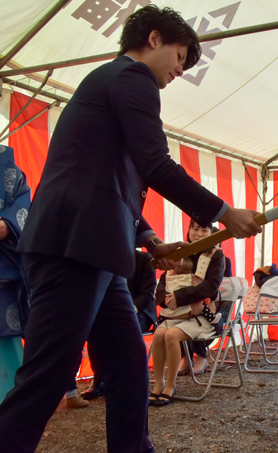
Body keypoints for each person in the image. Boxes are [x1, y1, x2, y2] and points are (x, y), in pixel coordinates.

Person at [0, 6, 261, 453]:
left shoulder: (110, 84)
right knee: (48, 374)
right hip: (73, 246)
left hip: (95, 248)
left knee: (126, 367)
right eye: (180, 57)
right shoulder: (131, 77)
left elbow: (106, 180)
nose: (180, 70)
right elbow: (155, 164)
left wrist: (149, 240)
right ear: (155, 39)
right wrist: (222, 210)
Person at [149, 220, 225, 406]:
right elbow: (162, 283)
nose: (199, 234)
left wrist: (181, 296)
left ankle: (171, 385)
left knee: (172, 335)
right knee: (159, 334)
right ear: (189, 230)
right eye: (195, 229)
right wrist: (165, 299)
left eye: (204, 230)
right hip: (175, 314)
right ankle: (159, 383)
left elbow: (211, 286)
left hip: (201, 315)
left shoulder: (216, 254)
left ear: (211, 232)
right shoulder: (179, 252)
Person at [81, 250, 158, 401]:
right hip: (111, 309)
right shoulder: (104, 258)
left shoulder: (143, 258)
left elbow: (147, 294)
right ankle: (99, 381)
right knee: (96, 329)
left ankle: (127, 382)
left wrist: (130, 309)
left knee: (123, 328)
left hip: (140, 310)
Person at [0, 146, 31, 402]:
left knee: (6, 351)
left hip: (3, 280)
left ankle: (9, 416)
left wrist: (8, 224)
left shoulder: (5, 163)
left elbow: (24, 206)